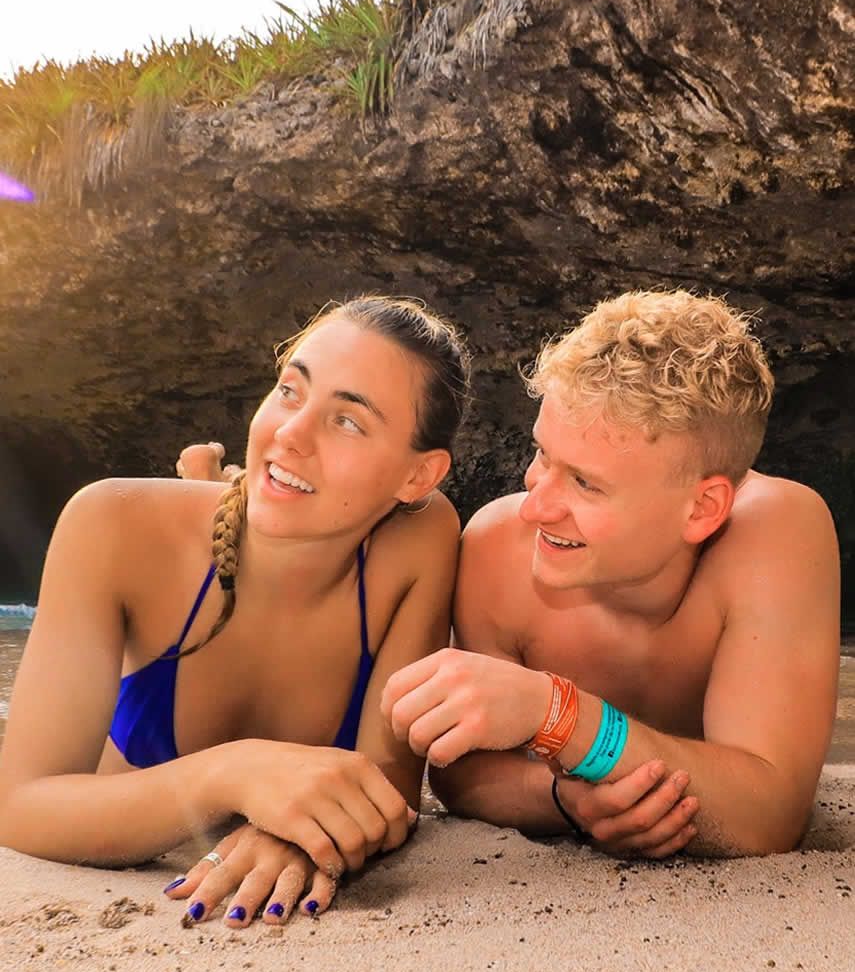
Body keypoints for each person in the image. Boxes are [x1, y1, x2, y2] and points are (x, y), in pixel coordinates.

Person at [0, 297, 468, 924]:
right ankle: (207, 482)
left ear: (418, 476)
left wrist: (300, 831)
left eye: (347, 421)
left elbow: (386, 790)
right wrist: (234, 773)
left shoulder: (421, 540)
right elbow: (20, 805)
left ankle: (208, 478)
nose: (290, 433)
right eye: (290, 391)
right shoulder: (109, 524)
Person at [381, 290, 841, 859]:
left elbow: (768, 815)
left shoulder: (776, 533)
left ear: (701, 509)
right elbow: (461, 772)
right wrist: (564, 800)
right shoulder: (497, 548)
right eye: (542, 455)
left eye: (585, 483)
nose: (535, 507)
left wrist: (557, 714)